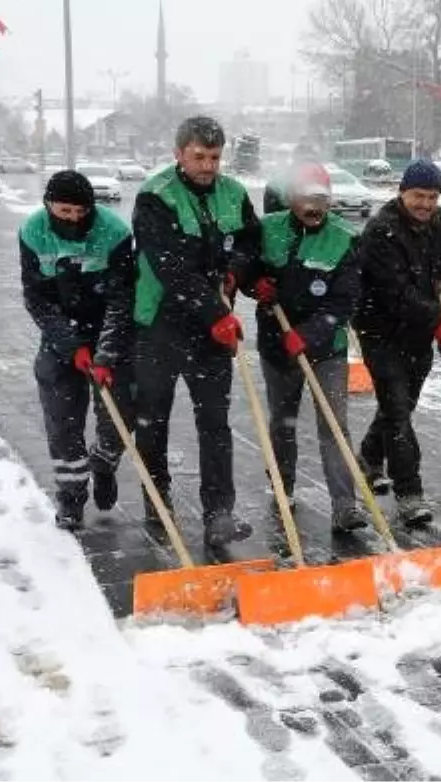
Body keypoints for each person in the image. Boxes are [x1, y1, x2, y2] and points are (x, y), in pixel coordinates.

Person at [132, 115, 261, 549]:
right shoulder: (155, 197)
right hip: (161, 322)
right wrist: (214, 312)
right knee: (153, 417)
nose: (208, 166)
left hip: (211, 329)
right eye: (199, 157)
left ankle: (219, 511)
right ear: (179, 154)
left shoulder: (234, 193)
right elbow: (171, 267)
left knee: (215, 421)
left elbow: (249, 242)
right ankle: (156, 494)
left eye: (215, 157)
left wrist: (236, 273)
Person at [245, 163, 367, 533]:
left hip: (327, 347)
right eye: (306, 198)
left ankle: (345, 505)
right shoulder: (268, 230)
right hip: (277, 345)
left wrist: (312, 333)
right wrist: (255, 285)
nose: (314, 207)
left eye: (322, 200)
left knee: (334, 425)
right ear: (291, 198)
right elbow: (243, 267)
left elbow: (345, 300)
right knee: (283, 422)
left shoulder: (345, 238)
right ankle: (283, 488)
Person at [20, 172, 136, 530]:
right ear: (48, 205)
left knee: (121, 414)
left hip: (109, 332)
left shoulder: (114, 232)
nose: (72, 217)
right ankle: (71, 498)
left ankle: (103, 462)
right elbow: (37, 297)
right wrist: (71, 346)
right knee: (62, 422)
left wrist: (105, 352)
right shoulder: (33, 231)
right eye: (64, 210)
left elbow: (122, 297)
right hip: (61, 338)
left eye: (79, 210)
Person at [353, 160, 441, 527]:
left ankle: (367, 456)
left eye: (432, 197)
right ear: (402, 192)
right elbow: (395, 292)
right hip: (379, 328)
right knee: (397, 409)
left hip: (418, 332)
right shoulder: (382, 230)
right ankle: (410, 492)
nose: (425, 205)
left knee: (401, 405)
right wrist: (438, 320)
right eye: (418, 196)